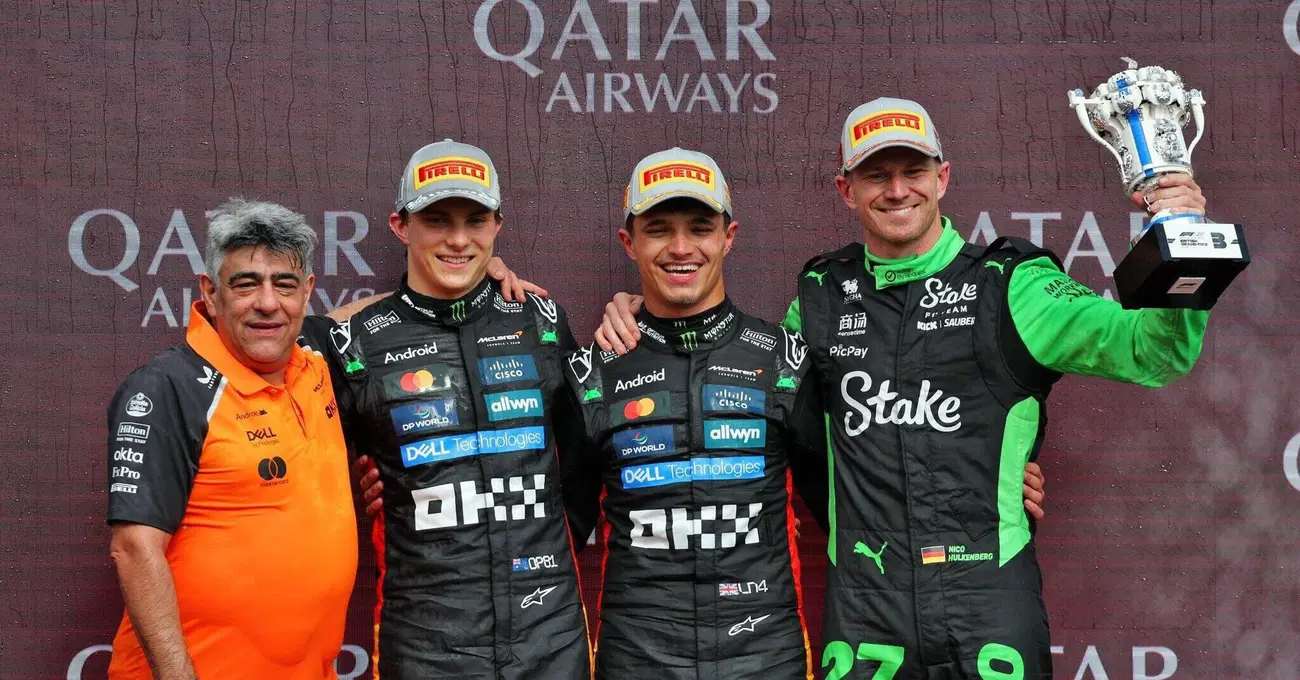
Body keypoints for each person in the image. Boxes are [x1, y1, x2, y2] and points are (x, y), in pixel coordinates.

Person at [597, 97, 1208, 679]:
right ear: (847, 190)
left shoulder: (1012, 282)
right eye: (875, 175)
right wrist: (643, 320)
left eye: (912, 171)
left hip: (987, 598)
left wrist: (1181, 238)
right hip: (867, 607)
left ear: (942, 177)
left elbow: (1156, 352)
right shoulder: (819, 299)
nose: (896, 190)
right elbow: (744, 382)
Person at [297, 139, 592, 679]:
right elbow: (266, 337)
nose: (458, 239)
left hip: (550, 637)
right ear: (400, 226)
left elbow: (584, 462)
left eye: (475, 221)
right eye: (436, 221)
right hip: (425, 643)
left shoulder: (542, 321)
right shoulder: (350, 341)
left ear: (497, 225)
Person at [559, 148, 829, 679]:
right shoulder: (590, 373)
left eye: (700, 228)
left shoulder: (786, 360)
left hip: (765, 657)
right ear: (629, 242)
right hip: (637, 660)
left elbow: (850, 504)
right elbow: (544, 533)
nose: (681, 248)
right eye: (659, 230)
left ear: (728, 237)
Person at [105, 199, 358, 679]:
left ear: (307, 292)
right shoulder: (169, 387)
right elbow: (135, 548)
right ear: (210, 291)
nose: (268, 303)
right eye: (245, 283)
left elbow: (377, 313)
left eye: (284, 284)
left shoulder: (315, 358)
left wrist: (477, 278)